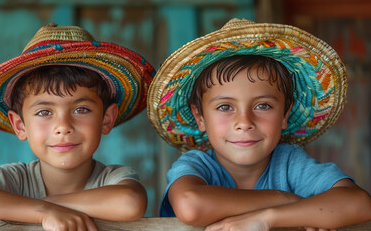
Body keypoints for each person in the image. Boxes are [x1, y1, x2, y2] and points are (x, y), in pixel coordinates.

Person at [147, 18, 371, 230]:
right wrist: (285, 200)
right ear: (200, 118)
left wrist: (267, 218)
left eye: (263, 106)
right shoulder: (197, 165)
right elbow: (191, 206)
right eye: (225, 107)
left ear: (285, 114)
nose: (244, 123)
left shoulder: (289, 163)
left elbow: (360, 203)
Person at [0, 23, 155, 231]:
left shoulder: (112, 178)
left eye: (81, 110)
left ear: (107, 119)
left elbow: (130, 202)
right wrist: (44, 211)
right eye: (44, 112)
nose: (63, 127)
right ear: (20, 125)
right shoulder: (15, 179)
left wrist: (45, 205)